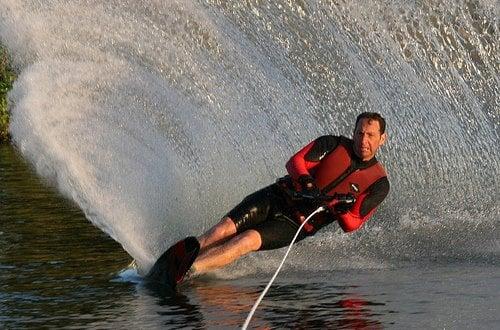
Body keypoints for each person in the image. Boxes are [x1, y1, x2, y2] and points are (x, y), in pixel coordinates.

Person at [187, 112, 389, 278]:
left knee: (246, 240)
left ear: (382, 139)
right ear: (353, 132)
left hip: (296, 223)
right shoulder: (332, 144)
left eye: (370, 135)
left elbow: (353, 224)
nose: (363, 140)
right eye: (360, 133)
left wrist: (341, 209)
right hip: (275, 197)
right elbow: (295, 162)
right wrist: (306, 182)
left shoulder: (378, 183)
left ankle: (192, 270)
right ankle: (180, 259)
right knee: (222, 230)